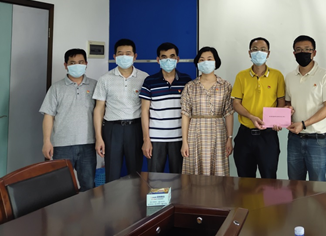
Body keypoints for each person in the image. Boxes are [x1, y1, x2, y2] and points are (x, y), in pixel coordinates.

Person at [39, 48, 97, 191]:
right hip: (62, 146)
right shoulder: (56, 88)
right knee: (61, 188)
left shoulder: (95, 85)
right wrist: (47, 141)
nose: (77, 65)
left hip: (88, 144)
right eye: (72, 62)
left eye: (80, 62)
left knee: (88, 186)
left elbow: (101, 113)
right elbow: (48, 115)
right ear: (65, 65)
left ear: (86, 63)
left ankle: (86, 207)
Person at [93, 39, 149, 183]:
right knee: (112, 173)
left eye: (128, 53)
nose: (124, 56)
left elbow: (147, 109)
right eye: (120, 53)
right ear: (114, 56)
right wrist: (99, 137)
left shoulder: (144, 78)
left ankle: (135, 198)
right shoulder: (105, 79)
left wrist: (146, 137)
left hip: (135, 129)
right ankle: (111, 198)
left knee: (135, 174)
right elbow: (99, 109)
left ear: (135, 56)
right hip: (112, 129)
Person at [231, 37, 286, 179]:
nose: (259, 52)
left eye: (263, 49)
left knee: (269, 180)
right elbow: (236, 103)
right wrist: (251, 117)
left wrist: (278, 121)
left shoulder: (277, 75)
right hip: (245, 135)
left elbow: (281, 101)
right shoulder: (241, 76)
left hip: (268, 136)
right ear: (249, 52)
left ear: (268, 53)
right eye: (255, 49)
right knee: (245, 181)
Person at [285, 35, 326, 181]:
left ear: (314, 53)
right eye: (298, 50)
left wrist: (303, 124)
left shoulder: (325, 75)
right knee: (295, 183)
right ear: (294, 53)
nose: (303, 52)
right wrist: (286, 112)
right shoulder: (289, 77)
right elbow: (287, 104)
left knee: (317, 185)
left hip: (317, 140)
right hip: (294, 139)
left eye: (307, 49)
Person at [139, 42, 192, 173]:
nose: (168, 60)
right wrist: (146, 139)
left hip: (180, 138)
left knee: (180, 178)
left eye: (172, 56)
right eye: (164, 57)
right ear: (158, 60)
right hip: (156, 139)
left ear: (177, 59)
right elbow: (144, 111)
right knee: (155, 178)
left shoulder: (186, 80)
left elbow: (190, 110)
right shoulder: (150, 81)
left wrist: (187, 140)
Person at [181, 46, 233, 175]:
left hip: (218, 132)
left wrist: (229, 138)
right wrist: (184, 142)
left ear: (216, 61)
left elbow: (229, 113)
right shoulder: (190, 86)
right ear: (197, 63)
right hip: (195, 132)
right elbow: (185, 115)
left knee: (218, 170)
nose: (206, 62)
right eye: (202, 59)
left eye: (209, 59)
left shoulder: (225, 85)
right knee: (195, 171)